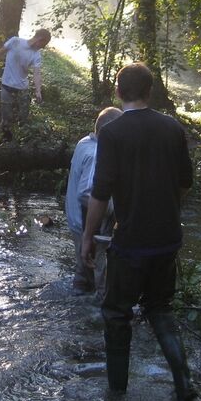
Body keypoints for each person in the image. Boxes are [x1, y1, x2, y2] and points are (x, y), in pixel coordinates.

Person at [81, 62, 198, 401]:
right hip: (167, 239)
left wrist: (88, 237)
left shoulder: (113, 134)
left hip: (129, 242)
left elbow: (100, 193)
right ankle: (184, 384)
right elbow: (185, 184)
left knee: (117, 314)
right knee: (160, 308)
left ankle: (116, 392)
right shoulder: (173, 129)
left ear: (118, 91)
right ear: (150, 92)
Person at [65, 106, 123, 295]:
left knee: (83, 272)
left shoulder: (84, 142)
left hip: (77, 220)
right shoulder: (98, 153)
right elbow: (86, 194)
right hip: (90, 225)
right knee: (101, 278)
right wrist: (113, 209)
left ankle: (78, 302)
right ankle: (96, 316)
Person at [0, 28, 51, 141]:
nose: (43, 47)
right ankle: (5, 140)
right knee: (6, 116)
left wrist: (38, 91)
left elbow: (37, 73)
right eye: (44, 44)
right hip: (7, 85)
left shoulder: (36, 55)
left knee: (23, 117)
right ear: (40, 39)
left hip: (22, 89)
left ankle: (21, 141)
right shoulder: (15, 41)